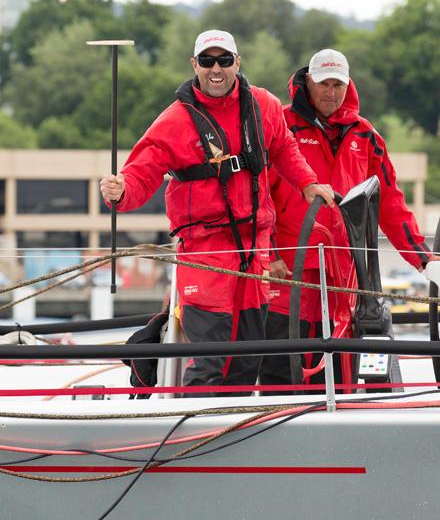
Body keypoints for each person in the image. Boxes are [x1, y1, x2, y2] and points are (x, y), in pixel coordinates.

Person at [100, 30, 334, 396]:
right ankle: (191, 436)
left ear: (237, 63)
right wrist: (121, 191)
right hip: (206, 254)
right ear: (194, 65)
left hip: (253, 253)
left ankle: (229, 436)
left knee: (246, 357)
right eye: (207, 61)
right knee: (210, 360)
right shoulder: (174, 122)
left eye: (224, 60)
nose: (216, 69)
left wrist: (308, 183)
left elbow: (284, 148)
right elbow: (140, 174)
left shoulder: (264, 106)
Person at [259, 48, 440, 389]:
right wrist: (269, 256)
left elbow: (390, 205)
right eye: (324, 83)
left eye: (337, 84)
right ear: (308, 82)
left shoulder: (366, 136)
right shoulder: (279, 127)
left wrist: (423, 260)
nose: (331, 92)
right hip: (287, 274)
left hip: (345, 279)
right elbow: (257, 197)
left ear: (348, 85)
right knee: (282, 375)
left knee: (343, 378)